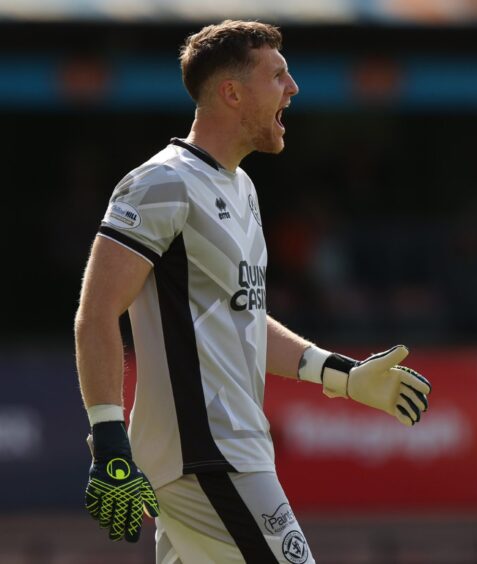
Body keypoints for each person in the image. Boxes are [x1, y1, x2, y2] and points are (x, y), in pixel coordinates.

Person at [74, 19, 432, 564]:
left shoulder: (242, 188)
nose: (293, 88)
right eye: (279, 75)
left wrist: (345, 377)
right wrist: (109, 443)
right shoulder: (160, 183)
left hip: (227, 452)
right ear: (232, 92)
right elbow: (97, 313)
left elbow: (242, 316)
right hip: (208, 457)